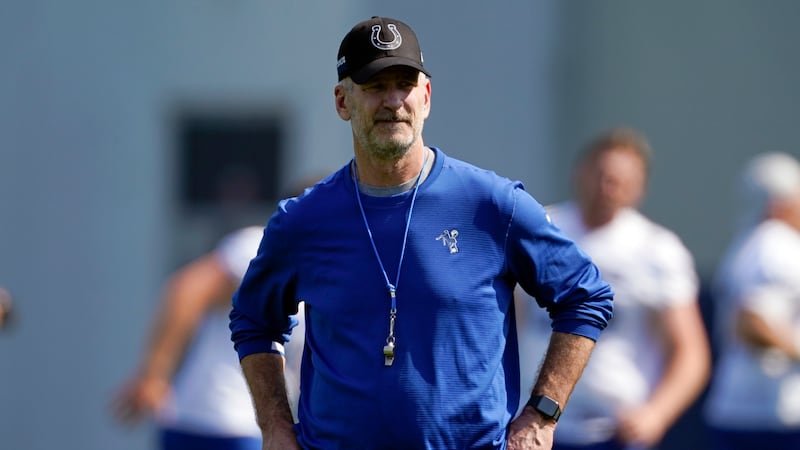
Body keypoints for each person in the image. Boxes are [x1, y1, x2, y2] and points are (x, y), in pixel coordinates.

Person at [229, 16, 614, 450]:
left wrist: (543, 414)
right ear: (342, 101)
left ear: (426, 96)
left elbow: (585, 296)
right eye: (375, 86)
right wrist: (275, 426)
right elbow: (254, 319)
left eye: (404, 84)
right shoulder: (304, 220)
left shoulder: (492, 204)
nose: (393, 101)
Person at [517, 127, 711, 449]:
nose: (608, 187)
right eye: (602, 175)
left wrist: (656, 413)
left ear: (640, 187)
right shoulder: (541, 228)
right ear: (579, 173)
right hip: (535, 422)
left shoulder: (657, 249)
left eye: (621, 180)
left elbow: (691, 352)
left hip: (616, 429)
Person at [112, 226, 305, 450]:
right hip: (221, 422)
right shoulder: (265, 244)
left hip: (251, 428)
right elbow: (191, 287)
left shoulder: (335, 262)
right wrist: (154, 373)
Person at [703, 152, 800, 450]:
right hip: (770, 412)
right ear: (779, 203)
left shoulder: (750, 245)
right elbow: (751, 321)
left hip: (745, 407)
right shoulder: (774, 244)